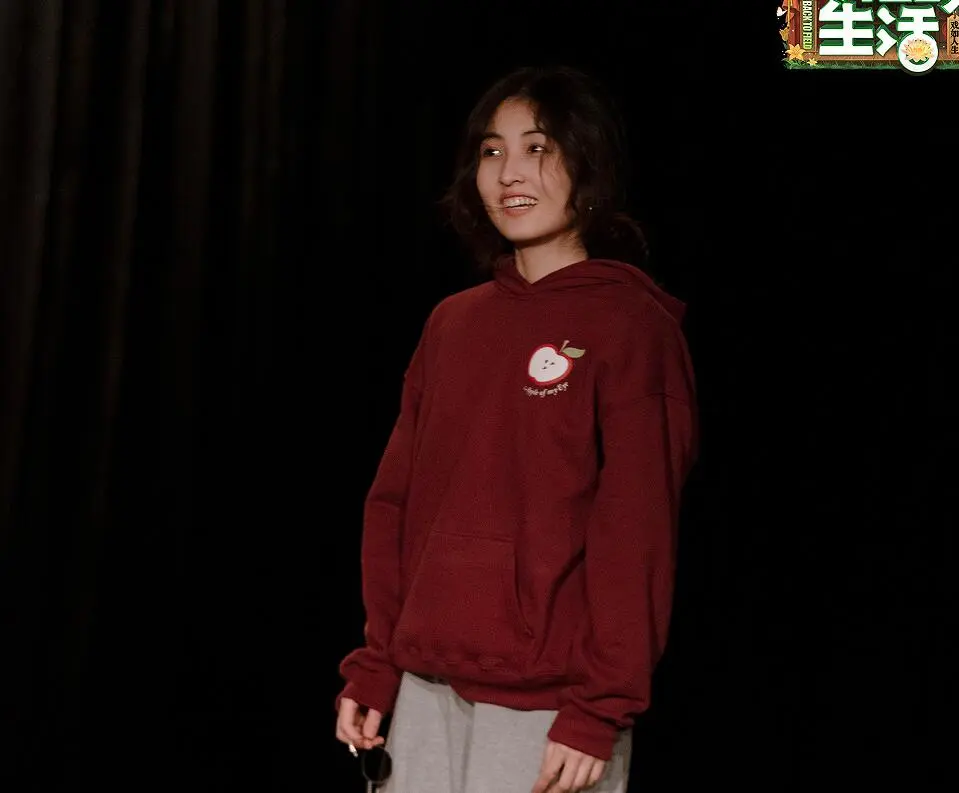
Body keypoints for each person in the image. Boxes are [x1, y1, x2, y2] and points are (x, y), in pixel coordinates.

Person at [334, 64, 699, 793]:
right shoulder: (452, 323)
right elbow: (395, 504)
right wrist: (377, 663)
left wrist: (599, 706)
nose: (509, 173)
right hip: (423, 686)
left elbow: (636, 531)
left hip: (550, 704)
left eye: (538, 148)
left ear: (587, 164)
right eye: (491, 151)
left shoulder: (630, 327)